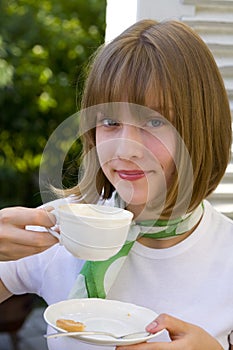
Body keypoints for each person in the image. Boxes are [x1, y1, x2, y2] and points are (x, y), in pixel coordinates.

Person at [0, 19, 232, 350]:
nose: (124, 150)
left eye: (154, 122)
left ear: (201, 129)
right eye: (110, 122)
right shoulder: (62, 227)